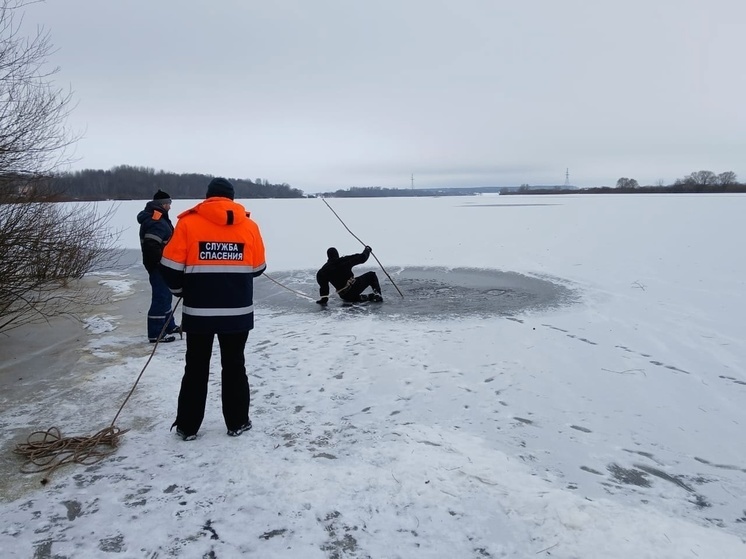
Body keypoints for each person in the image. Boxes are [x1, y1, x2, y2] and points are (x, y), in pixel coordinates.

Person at [160, 177, 266, 441]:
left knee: (196, 368)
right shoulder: (250, 226)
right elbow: (258, 268)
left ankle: (188, 426)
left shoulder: (188, 223)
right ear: (231, 198)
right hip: (237, 313)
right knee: (234, 366)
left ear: (208, 197)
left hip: (199, 313)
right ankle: (238, 422)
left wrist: (180, 291)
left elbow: (170, 268)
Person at [137, 189, 180, 343]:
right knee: (160, 297)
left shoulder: (160, 219)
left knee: (166, 296)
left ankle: (168, 326)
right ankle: (155, 333)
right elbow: (151, 246)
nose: (170, 207)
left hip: (163, 265)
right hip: (159, 267)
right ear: (162, 204)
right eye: (169, 203)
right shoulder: (155, 221)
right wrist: (161, 263)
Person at [316, 246, 383, 305]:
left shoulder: (323, 271)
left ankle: (358, 298)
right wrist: (367, 250)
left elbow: (324, 287)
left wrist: (323, 299)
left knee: (350, 294)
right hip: (354, 287)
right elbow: (363, 258)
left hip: (344, 295)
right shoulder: (343, 260)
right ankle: (378, 295)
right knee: (371, 275)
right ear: (337, 254)